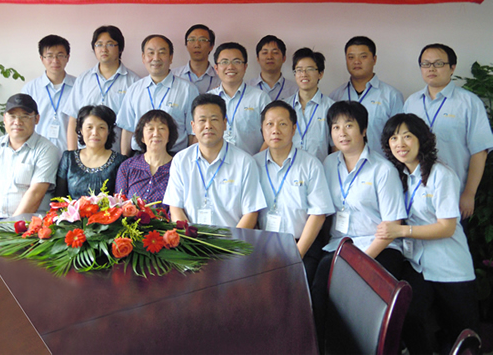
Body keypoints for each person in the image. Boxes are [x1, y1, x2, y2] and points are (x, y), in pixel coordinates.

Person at [376, 113, 479, 354]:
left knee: (464, 337)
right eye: (393, 138)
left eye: (407, 136)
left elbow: (447, 227)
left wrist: (402, 230)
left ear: (421, 140)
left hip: (449, 266)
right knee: (408, 316)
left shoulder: (441, 175)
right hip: (419, 264)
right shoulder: (401, 176)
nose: (400, 143)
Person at [311, 101, 405, 351]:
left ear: (363, 130)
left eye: (349, 125)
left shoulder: (382, 170)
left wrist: (359, 261)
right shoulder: (328, 164)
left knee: (360, 303)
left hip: (379, 247)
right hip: (338, 247)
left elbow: (393, 224)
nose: (342, 133)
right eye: (336, 127)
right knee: (319, 290)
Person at [404, 43, 493, 219]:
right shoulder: (411, 102)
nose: (431, 69)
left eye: (438, 64)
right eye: (425, 64)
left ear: (452, 68)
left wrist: (469, 193)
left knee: (451, 236)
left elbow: (479, 151)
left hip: (453, 194)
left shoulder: (469, 103)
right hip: (415, 194)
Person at [254, 100, 334, 284]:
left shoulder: (311, 164)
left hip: (302, 244)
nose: (275, 130)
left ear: (294, 129)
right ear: (262, 130)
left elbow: (318, 214)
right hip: (263, 246)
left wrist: (297, 254)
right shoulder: (253, 164)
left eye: (282, 124)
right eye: (270, 124)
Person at [164, 93, 266, 228]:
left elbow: (251, 213)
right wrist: (190, 238)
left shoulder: (245, 162)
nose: (208, 125)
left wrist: (233, 241)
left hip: (232, 239)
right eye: (202, 120)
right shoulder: (181, 160)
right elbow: (175, 207)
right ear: (193, 126)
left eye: (214, 119)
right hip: (192, 239)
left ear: (224, 124)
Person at [0, 94, 61, 227]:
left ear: (37, 119)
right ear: (4, 119)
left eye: (25, 116)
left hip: (27, 225)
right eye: (12, 116)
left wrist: (6, 229)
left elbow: (35, 194)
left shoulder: (47, 150)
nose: (17, 122)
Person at [117, 34, 199, 156]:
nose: (156, 58)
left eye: (162, 52)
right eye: (151, 53)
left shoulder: (188, 90)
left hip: (175, 157)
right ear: (143, 57)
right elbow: (127, 129)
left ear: (171, 57)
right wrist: (125, 160)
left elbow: (193, 133)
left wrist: (189, 160)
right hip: (140, 156)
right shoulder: (134, 89)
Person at [62, 25, 139, 153]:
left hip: (117, 153)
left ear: (120, 48)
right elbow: (73, 119)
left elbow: (132, 125)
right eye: (99, 45)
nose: (104, 49)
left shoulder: (134, 82)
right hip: (85, 155)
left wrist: (124, 159)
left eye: (110, 44)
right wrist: (72, 154)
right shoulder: (83, 79)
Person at [329, 36, 404, 151]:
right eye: (351, 57)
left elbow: (399, 137)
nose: (356, 61)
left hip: (379, 161)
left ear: (374, 59)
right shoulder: (336, 96)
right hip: (344, 161)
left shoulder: (391, 96)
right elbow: (332, 140)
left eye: (363, 56)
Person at [209, 42, 270, 154]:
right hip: (216, 162)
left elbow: (271, 134)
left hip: (252, 161)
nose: (230, 67)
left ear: (245, 67)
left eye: (236, 62)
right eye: (224, 62)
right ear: (216, 68)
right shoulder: (208, 99)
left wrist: (257, 160)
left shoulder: (260, 98)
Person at [55, 104, 127, 198]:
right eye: (89, 127)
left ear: (109, 131)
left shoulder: (120, 162)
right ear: (81, 130)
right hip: (70, 208)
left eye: (101, 128)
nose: (95, 133)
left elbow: (121, 200)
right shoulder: (68, 158)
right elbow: (58, 198)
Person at [21, 34, 75, 154]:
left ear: (67, 57)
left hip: (70, 154)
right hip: (38, 154)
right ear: (42, 58)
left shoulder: (79, 87)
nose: (55, 61)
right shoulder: (30, 89)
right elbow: (23, 123)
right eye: (49, 56)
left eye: (60, 55)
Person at [115, 110, 177, 207]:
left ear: (170, 135)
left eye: (161, 128)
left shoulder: (177, 168)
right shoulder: (127, 167)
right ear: (142, 137)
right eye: (150, 129)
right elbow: (119, 204)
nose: (156, 134)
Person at [285, 47, 333, 162]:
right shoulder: (284, 107)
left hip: (321, 169)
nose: (304, 74)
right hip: (288, 169)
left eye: (310, 69)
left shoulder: (331, 107)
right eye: (299, 70)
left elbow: (335, 147)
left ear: (320, 74)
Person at [173, 24, 220, 93]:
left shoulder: (220, 77)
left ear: (211, 46)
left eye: (203, 40)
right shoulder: (174, 75)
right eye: (192, 40)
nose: (197, 45)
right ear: (186, 45)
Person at [250, 35, 297, 101]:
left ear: (284, 58)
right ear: (257, 58)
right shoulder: (247, 88)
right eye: (265, 53)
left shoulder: (295, 90)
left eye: (275, 53)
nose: (269, 57)